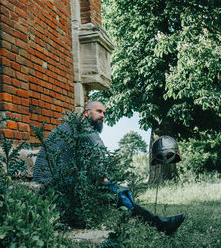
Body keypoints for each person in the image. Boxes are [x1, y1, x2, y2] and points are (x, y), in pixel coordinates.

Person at [33, 101, 186, 235]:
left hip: (50, 181)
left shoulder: (70, 126)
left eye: (104, 112)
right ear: (86, 113)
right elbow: (99, 156)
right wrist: (106, 181)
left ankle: (152, 220)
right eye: (98, 111)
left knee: (111, 188)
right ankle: (159, 224)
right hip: (52, 184)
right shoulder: (83, 127)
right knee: (113, 190)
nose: (102, 115)